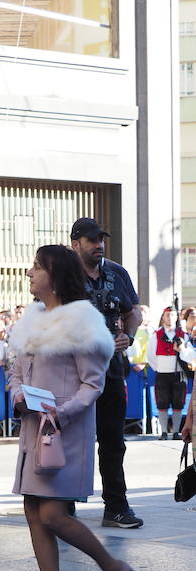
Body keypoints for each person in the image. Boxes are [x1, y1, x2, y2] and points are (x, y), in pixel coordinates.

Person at [9, 244, 135, 571]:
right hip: (35, 428)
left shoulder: (82, 322)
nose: (29, 274)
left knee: (52, 513)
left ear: (56, 275)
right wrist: (18, 396)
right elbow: (16, 372)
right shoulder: (31, 319)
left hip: (64, 432)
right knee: (34, 511)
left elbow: (92, 384)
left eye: (36, 268)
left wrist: (60, 414)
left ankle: (112, 567)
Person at [71, 217, 143, 528]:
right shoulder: (63, 273)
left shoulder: (116, 272)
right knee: (70, 440)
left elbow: (134, 312)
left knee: (113, 440)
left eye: (101, 239)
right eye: (92, 240)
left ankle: (116, 506)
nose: (99, 245)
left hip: (111, 371)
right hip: (70, 374)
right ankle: (63, 506)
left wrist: (128, 335)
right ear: (76, 244)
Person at [147, 306, 189, 440]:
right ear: (163, 317)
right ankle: (164, 432)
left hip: (179, 374)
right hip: (162, 373)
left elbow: (187, 355)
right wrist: (160, 368)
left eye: (172, 315)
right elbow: (151, 355)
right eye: (167, 315)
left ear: (176, 317)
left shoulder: (183, 335)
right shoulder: (156, 334)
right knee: (162, 402)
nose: (169, 318)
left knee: (178, 403)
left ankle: (176, 431)